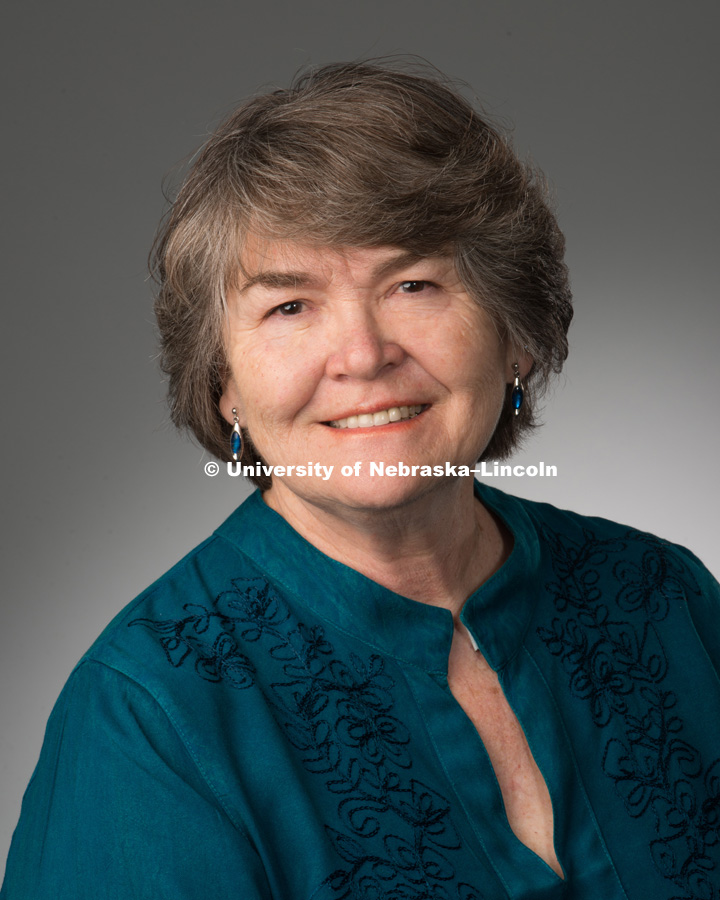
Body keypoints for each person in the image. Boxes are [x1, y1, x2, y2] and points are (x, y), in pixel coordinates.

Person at [3, 60, 719, 900]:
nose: (364, 355)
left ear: (516, 335)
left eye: (414, 284)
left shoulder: (664, 598)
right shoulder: (146, 715)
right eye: (290, 306)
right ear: (224, 383)